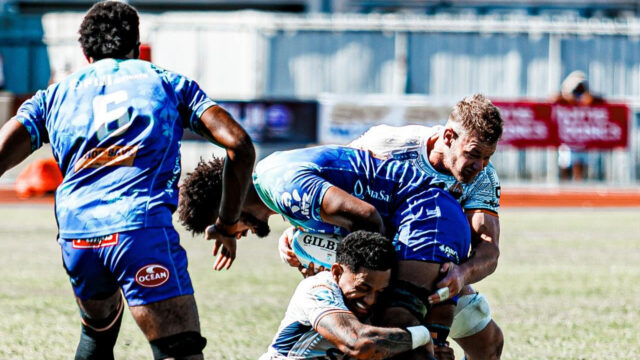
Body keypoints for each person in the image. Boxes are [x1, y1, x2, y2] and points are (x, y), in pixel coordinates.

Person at [0, 2, 255, 359]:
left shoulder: (52, 96)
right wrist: (227, 225)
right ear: (136, 46)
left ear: (85, 54)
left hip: (78, 238)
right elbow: (239, 145)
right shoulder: (167, 82)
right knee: (178, 351)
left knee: (98, 331)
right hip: (139, 231)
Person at [179, 144, 472, 359]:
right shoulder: (277, 184)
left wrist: (366, 281)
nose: (237, 234)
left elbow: (367, 219)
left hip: (424, 213)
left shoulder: (284, 188)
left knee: (394, 331)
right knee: (405, 334)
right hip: (420, 218)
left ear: (227, 203)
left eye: (225, 225)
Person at [280, 94, 504, 359]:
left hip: (437, 277)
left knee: (489, 343)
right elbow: (333, 186)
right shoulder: (387, 145)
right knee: (393, 344)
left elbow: (489, 250)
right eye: (473, 154)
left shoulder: (483, 177)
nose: (480, 166)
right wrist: (301, 232)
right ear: (448, 137)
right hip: (374, 271)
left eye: (488, 158)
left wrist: (462, 274)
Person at [259, 230, 447, 359]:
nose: (370, 300)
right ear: (337, 272)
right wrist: (422, 335)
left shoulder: (376, 305)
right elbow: (358, 343)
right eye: (362, 288)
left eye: (379, 291)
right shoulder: (318, 288)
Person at [551, 71, 604, 182]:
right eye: (577, 88)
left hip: (583, 137)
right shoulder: (563, 99)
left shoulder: (590, 99)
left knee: (581, 163)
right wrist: (568, 98)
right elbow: (552, 100)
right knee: (565, 162)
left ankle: (579, 184)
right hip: (568, 137)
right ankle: (564, 185)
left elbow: (601, 101)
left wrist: (587, 99)